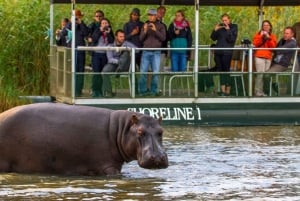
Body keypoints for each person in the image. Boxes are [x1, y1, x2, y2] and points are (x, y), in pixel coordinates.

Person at [139, 8, 166, 96]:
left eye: (152, 15)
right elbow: (141, 38)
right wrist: (145, 30)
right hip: (146, 51)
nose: (150, 17)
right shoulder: (144, 25)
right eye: (149, 15)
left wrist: (155, 30)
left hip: (156, 52)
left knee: (156, 72)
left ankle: (153, 91)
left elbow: (163, 38)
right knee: (143, 72)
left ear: (156, 16)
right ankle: (142, 91)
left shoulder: (161, 26)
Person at [62, 9, 89, 96]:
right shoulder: (69, 25)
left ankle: (78, 90)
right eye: (75, 17)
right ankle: (70, 90)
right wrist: (70, 22)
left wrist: (80, 23)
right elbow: (63, 33)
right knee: (70, 70)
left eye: (78, 17)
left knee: (80, 71)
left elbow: (86, 33)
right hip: (71, 51)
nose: (76, 18)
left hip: (80, 51)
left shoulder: (82, 25)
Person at [102, 30, 136, 97]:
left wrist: (127, 49)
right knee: (104, 72)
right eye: (120, 36)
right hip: (115, 64)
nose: (122, 38)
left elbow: (137, 49)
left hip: (125, 65)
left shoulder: (126, 43)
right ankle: (109, 92)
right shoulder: (110, 46)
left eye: (123, 36)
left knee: (126, 52)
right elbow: (110, 59)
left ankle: (119, 69)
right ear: (116, 37)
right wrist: (118, 62)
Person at [210, 13, 238, 96]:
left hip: (227, 52)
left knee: (226, 71)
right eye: (223, 20)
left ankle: (228, 90)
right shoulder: (220, 28)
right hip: (218, 52)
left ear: (229, 20)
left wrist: (228, 29)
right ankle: (222, 90)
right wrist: (215, 29)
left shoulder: (234, 27)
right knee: (221, 71)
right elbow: (213, 38)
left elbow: (232, 39)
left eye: (226, 20)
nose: (224, 22)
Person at [266, 26, 297, 95]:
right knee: (261, 73)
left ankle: (267, 91)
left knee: (266, 75)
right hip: (275, 61)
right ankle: (274, 85)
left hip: (282, 64)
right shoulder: (283, 40)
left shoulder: (292, 43)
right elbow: (276, 48)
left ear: (292, 34)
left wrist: (276, 49)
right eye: (284, 33)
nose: (285, 35)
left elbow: (279, 50)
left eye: (287, 33)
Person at [90, 18, 114, 97]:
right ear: (100, 24)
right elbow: (94, 39)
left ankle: (102, 91)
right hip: (96, 54)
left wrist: (108, 34)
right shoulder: (97, 30)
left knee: (102, 73)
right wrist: (100, 31)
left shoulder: (110, 31)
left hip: (105, 55)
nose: (104, 25)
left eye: (106, 23)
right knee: (96, 73)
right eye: (103, 23)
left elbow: (112, 42)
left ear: (108, 24)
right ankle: (95, 90)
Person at [252, 20, 277, 97]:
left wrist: (268, 38)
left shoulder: (272, 36)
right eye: (264, 25)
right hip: (259, 56)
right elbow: (255, 44)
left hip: (268, 57)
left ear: (270, 27)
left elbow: (273, 47)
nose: (266, 27)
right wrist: (261, 37)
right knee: (260, 74)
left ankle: (263, 91)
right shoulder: (257, 35)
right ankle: (257, 92)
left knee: (266, 75)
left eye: (267, 25)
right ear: (262, 27)